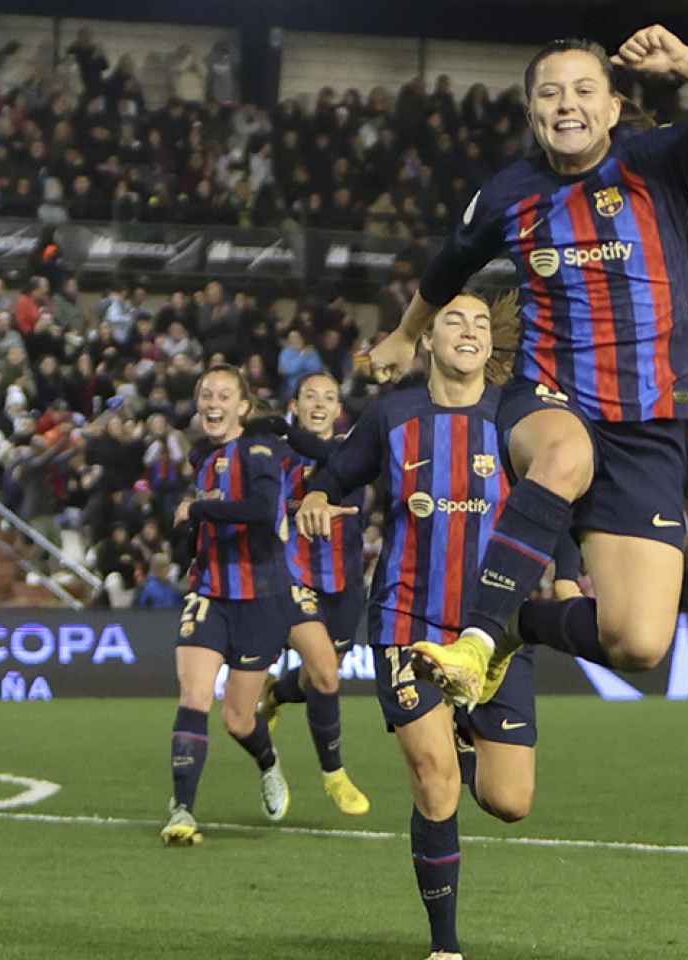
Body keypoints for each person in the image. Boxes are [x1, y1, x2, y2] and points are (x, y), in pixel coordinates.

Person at [360, 25, 688, 709]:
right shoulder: (509, 194)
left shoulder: (656, 161)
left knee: (638, 642)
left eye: (584, 90)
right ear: (531, 114)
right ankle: (475, 640)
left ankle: (520, 624)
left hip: (648, 423)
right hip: (549, 395)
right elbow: (448, 266)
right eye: (549, 93)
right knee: (563, 457)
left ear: (612, 108)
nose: (566, 104)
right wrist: (406, 334)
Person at [298, 292, 573, 960]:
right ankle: (445, 947)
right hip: (407, 620)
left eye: (481, 322)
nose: (470, 330)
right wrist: (313, 496)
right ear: (426, 340)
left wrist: (566, 573)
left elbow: (556, 493)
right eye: (454, 319)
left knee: (510, 802)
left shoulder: (517, 416)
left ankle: (466, 741)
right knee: (435, 780)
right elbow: (333, 473)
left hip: (495, 634)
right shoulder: (392, 415)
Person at [159, 366, 299, 847]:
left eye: (223, 395)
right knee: (193, 697)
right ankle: (181, 809)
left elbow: (261, 511)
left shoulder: (258, 451)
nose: (212, 403)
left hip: (260, 598)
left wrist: (198, 508)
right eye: (205, 395)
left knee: (238, 719)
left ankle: (268, 763)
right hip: (209, 593)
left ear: (243, 407)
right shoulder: (205, 457)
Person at [254, 370, 372, 815]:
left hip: (344, 584)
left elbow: (327, 455)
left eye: (328, 397)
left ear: (339, 410)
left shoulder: (352, 453)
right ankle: (335, 775)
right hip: (292, 578)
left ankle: (276, 694)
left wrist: (285, 429)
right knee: (325, 674)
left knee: (316, 679)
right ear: (296, 404)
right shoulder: (273, 455)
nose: (319, 404)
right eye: (310, 396)